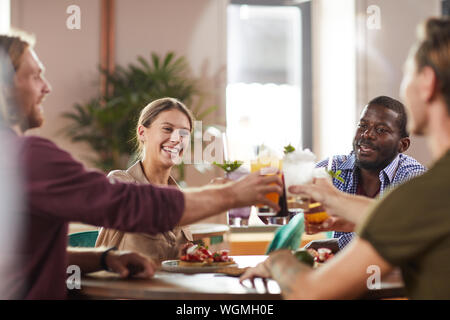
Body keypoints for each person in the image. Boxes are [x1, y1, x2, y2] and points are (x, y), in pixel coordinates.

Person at [0, 34, 282, 299]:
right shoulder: (27, 158)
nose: (47, 86)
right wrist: (234, 194)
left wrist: (103, 258)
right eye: (36, 75)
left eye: (183, 132)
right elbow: (132, 205)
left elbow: (26, 254)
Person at [240, 17, 450, 299]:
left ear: (427, 82)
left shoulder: (422, 191)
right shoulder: (431, 194)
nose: (368, 135)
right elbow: (403, 221)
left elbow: (310, 293)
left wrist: (276, 259)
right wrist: (337, 212)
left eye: (406, 73)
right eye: (363, 126)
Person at [306, 96, 426, 251]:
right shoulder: (334, 167)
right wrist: (271, 199)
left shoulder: (412, 176)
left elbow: (398, 234)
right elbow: (288, 207)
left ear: (402, 145)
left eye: (381, 130)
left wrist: (337, 245)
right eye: (362, 126)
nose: (367, 134)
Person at [95, 98, 195, 263]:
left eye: (184, 133)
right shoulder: (120, 182)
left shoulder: (179, 194)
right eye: (167, 129)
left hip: (169, 288)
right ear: (142, 133)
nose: (177, 139)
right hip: (124, 287)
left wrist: (192, 255)